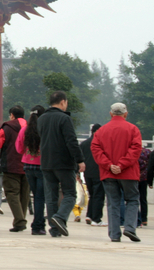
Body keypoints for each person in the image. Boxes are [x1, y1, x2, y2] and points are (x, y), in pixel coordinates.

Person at [91, 102, 143, 243]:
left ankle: (114, 234)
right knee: (132, 199)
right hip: (128, 172)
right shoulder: (133, 129)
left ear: (111, 113)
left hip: (108, 173)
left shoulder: (101, 131)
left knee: (113, 202)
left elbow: (96, 150)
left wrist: (109, 165)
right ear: (126, 114)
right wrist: (122, 165)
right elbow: (136, 149)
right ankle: (130, 227)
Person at [37, 90, 85, 238]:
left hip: (46, 162)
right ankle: (60, 217)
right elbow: (71, 141)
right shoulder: (64, 119)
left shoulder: (41, 119)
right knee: (70, 193)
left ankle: (54, 229)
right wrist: (79, 160)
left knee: (51, 197)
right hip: (64, 163)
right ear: (63, 102)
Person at [0, 105, 28, 231]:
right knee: (24, 195)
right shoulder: (30, 126)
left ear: (11, 115)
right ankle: (20, 221)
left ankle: (20, 220)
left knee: (12, 193)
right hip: (28, 164)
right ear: (23, 115)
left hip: (11, 164)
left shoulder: (7, 127)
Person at [16, 105, 47, 235]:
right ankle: (38, 225)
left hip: (28, 166)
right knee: (40, 197)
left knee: (35, 195)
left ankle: (37, 224)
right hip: (42, 166)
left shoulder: (25, 130)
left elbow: (19, 148)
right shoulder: (44, 129)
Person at [80, 124, 104, 226]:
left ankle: (89, 215)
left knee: (92, 195)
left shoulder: (84, 144)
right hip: (98, 172)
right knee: (99, 195)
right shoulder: (101, 143)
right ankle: (96, 218)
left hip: (87, 173)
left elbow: (79, 158)